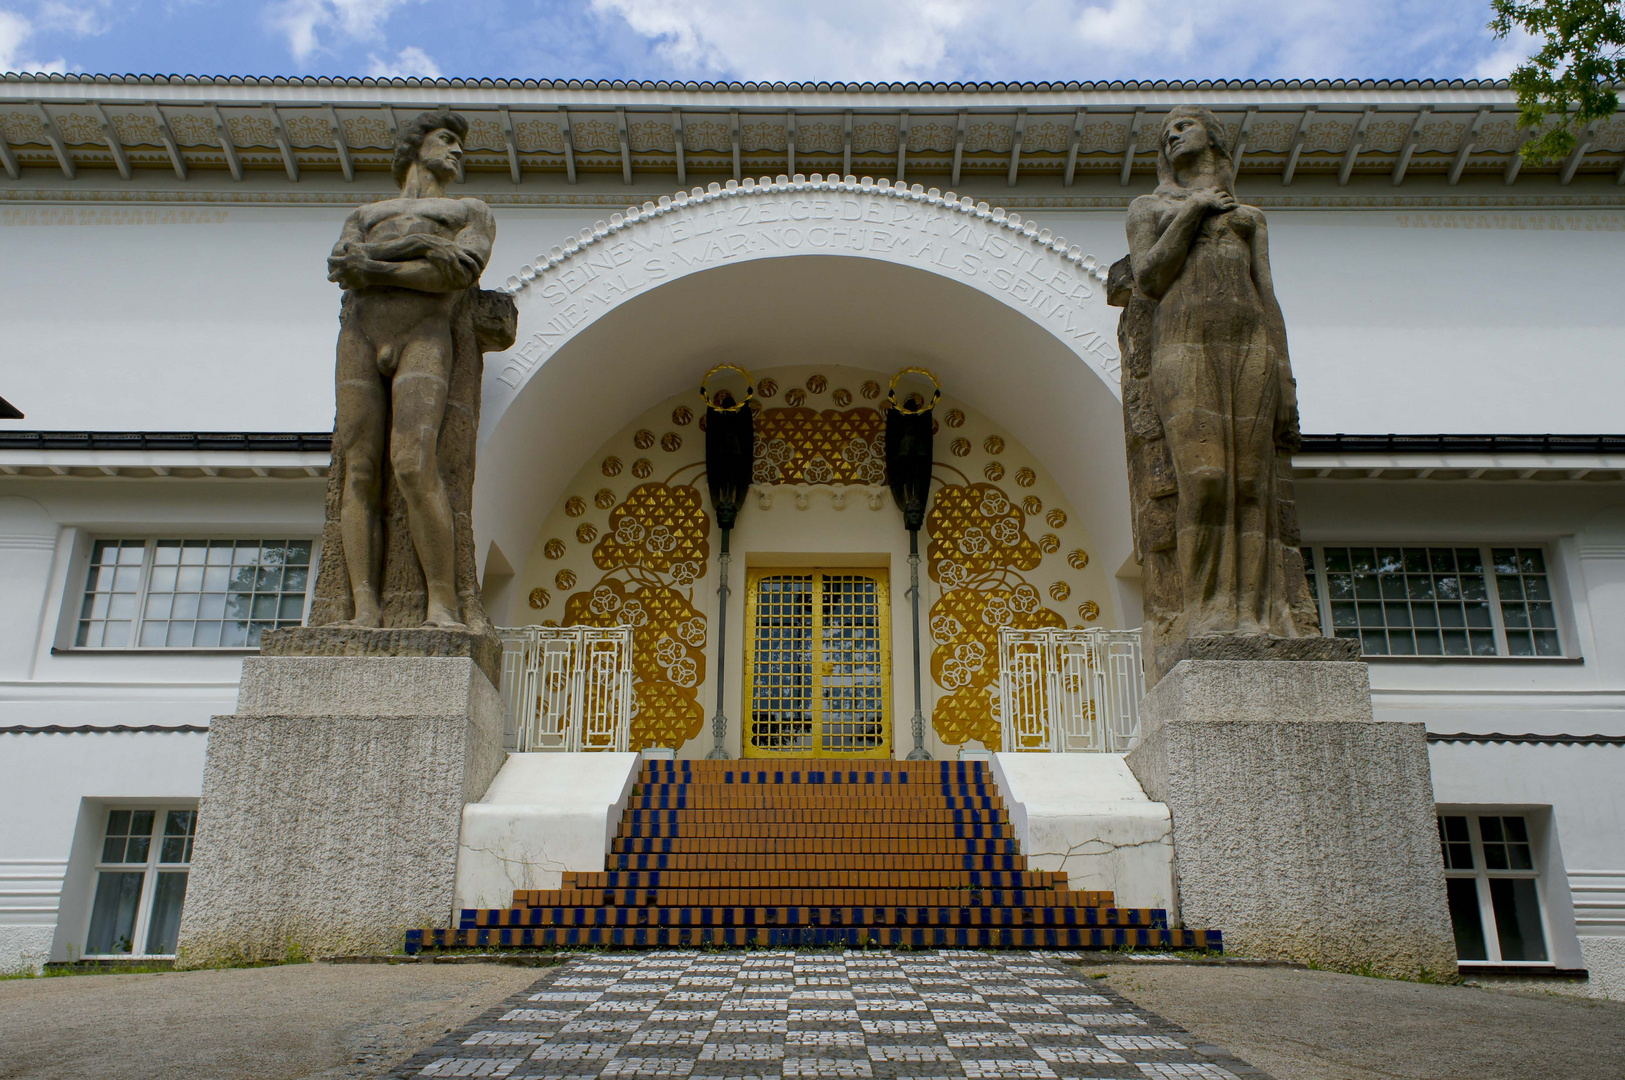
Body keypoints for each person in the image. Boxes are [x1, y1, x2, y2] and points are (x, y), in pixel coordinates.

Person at [1125, 105, 1301, 638]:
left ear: (1212, 138)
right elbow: (1149, 277)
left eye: (1185, 126)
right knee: (1203, 481)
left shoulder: (1249, 217)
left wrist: (1286, 376)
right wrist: (1193, 210)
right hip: (1183, 341)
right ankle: (1206, 612)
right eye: (1166, 134)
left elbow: (1267, 295)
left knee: (1252, 484)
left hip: (1249, 343)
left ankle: (1257, 613)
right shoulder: (1148, 207)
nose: (1174, 136)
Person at [326, 111, 495, 629]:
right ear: (415, 145)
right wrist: (422, 244)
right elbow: (340, 265)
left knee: (412, 463)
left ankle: (440, 601)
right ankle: (364, 605)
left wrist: (374, 267)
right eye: (447, 140)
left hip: (424, 334)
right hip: (360, 336)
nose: (458, 151)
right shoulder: (365, 213)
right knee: (358, 467)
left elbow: (456, 272)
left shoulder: (471, 210)